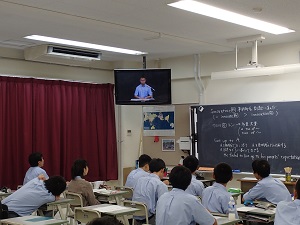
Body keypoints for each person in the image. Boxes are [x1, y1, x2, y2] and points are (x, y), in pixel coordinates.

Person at [2, 175, 66, 217]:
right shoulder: (48, 197)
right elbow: (57, 198)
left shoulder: (35, 181)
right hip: (13, 215)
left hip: (2, 206)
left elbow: (40, 177)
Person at [132, 158, 168, 225]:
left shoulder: (140, 180)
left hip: (136, 216)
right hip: (150, 219)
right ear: (162, 170)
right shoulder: (160, 185)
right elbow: (164, 207)